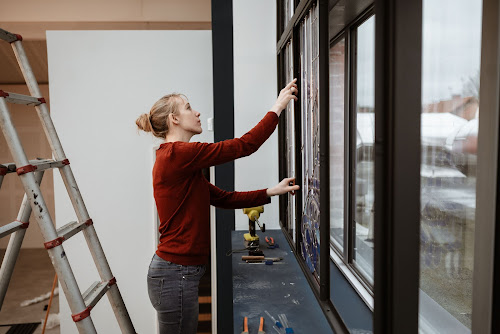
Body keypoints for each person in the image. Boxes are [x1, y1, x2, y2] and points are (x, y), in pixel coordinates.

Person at [135, 79, 299, 334]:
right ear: (173, 119)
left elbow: (224, 198)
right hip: (174, 276)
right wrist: (278, 106)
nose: (197, 112)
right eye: (189, 108)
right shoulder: (177, 155)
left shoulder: (180, 161)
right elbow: (245, 145)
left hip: (177, 275)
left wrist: (270, 191)